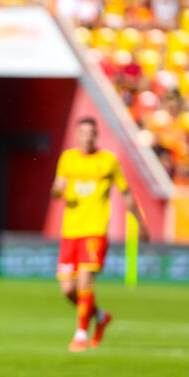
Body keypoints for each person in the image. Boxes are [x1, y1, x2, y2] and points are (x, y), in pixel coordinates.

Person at [51, 117, 148, 352]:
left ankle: (81, 334)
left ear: (96, 135)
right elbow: (56, 190)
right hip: (70, 231)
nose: (87, 137)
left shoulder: (108, 161)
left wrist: (141, 224)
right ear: (77, 135)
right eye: (82, 132)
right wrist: (58, 190)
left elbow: (126, 193)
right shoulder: (68, 159)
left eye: (91, 133)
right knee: (68, 290)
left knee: (85, 280)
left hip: (95, 230)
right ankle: (101, 316)